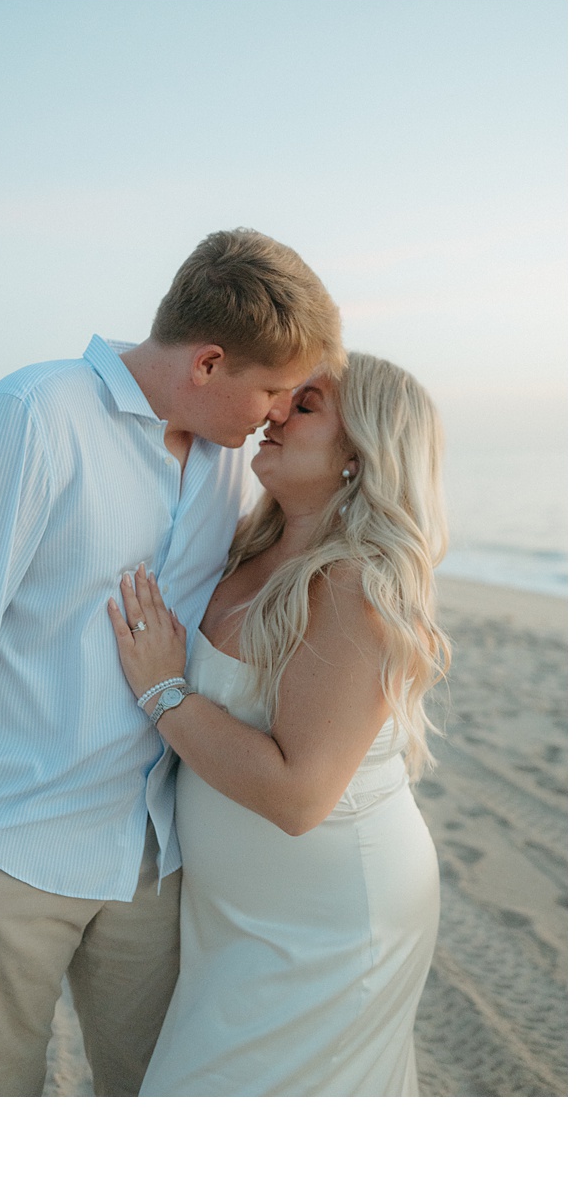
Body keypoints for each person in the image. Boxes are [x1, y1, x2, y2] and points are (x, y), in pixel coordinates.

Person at [0, 228, 345, 1097]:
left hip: (148, 856)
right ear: (208, 363)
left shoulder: (224, 466)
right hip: (7, 847)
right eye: (273, 389)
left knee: (151, 1099)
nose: (276, 413)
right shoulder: (34, 416)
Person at [109, 351, 451, 1096]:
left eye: (306, 405)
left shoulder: (357, 583)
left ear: (359, 455)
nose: (274, 412)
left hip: (328, 923)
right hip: (233, 918)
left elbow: (299, 796)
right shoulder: (250, 547)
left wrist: (164, 691)